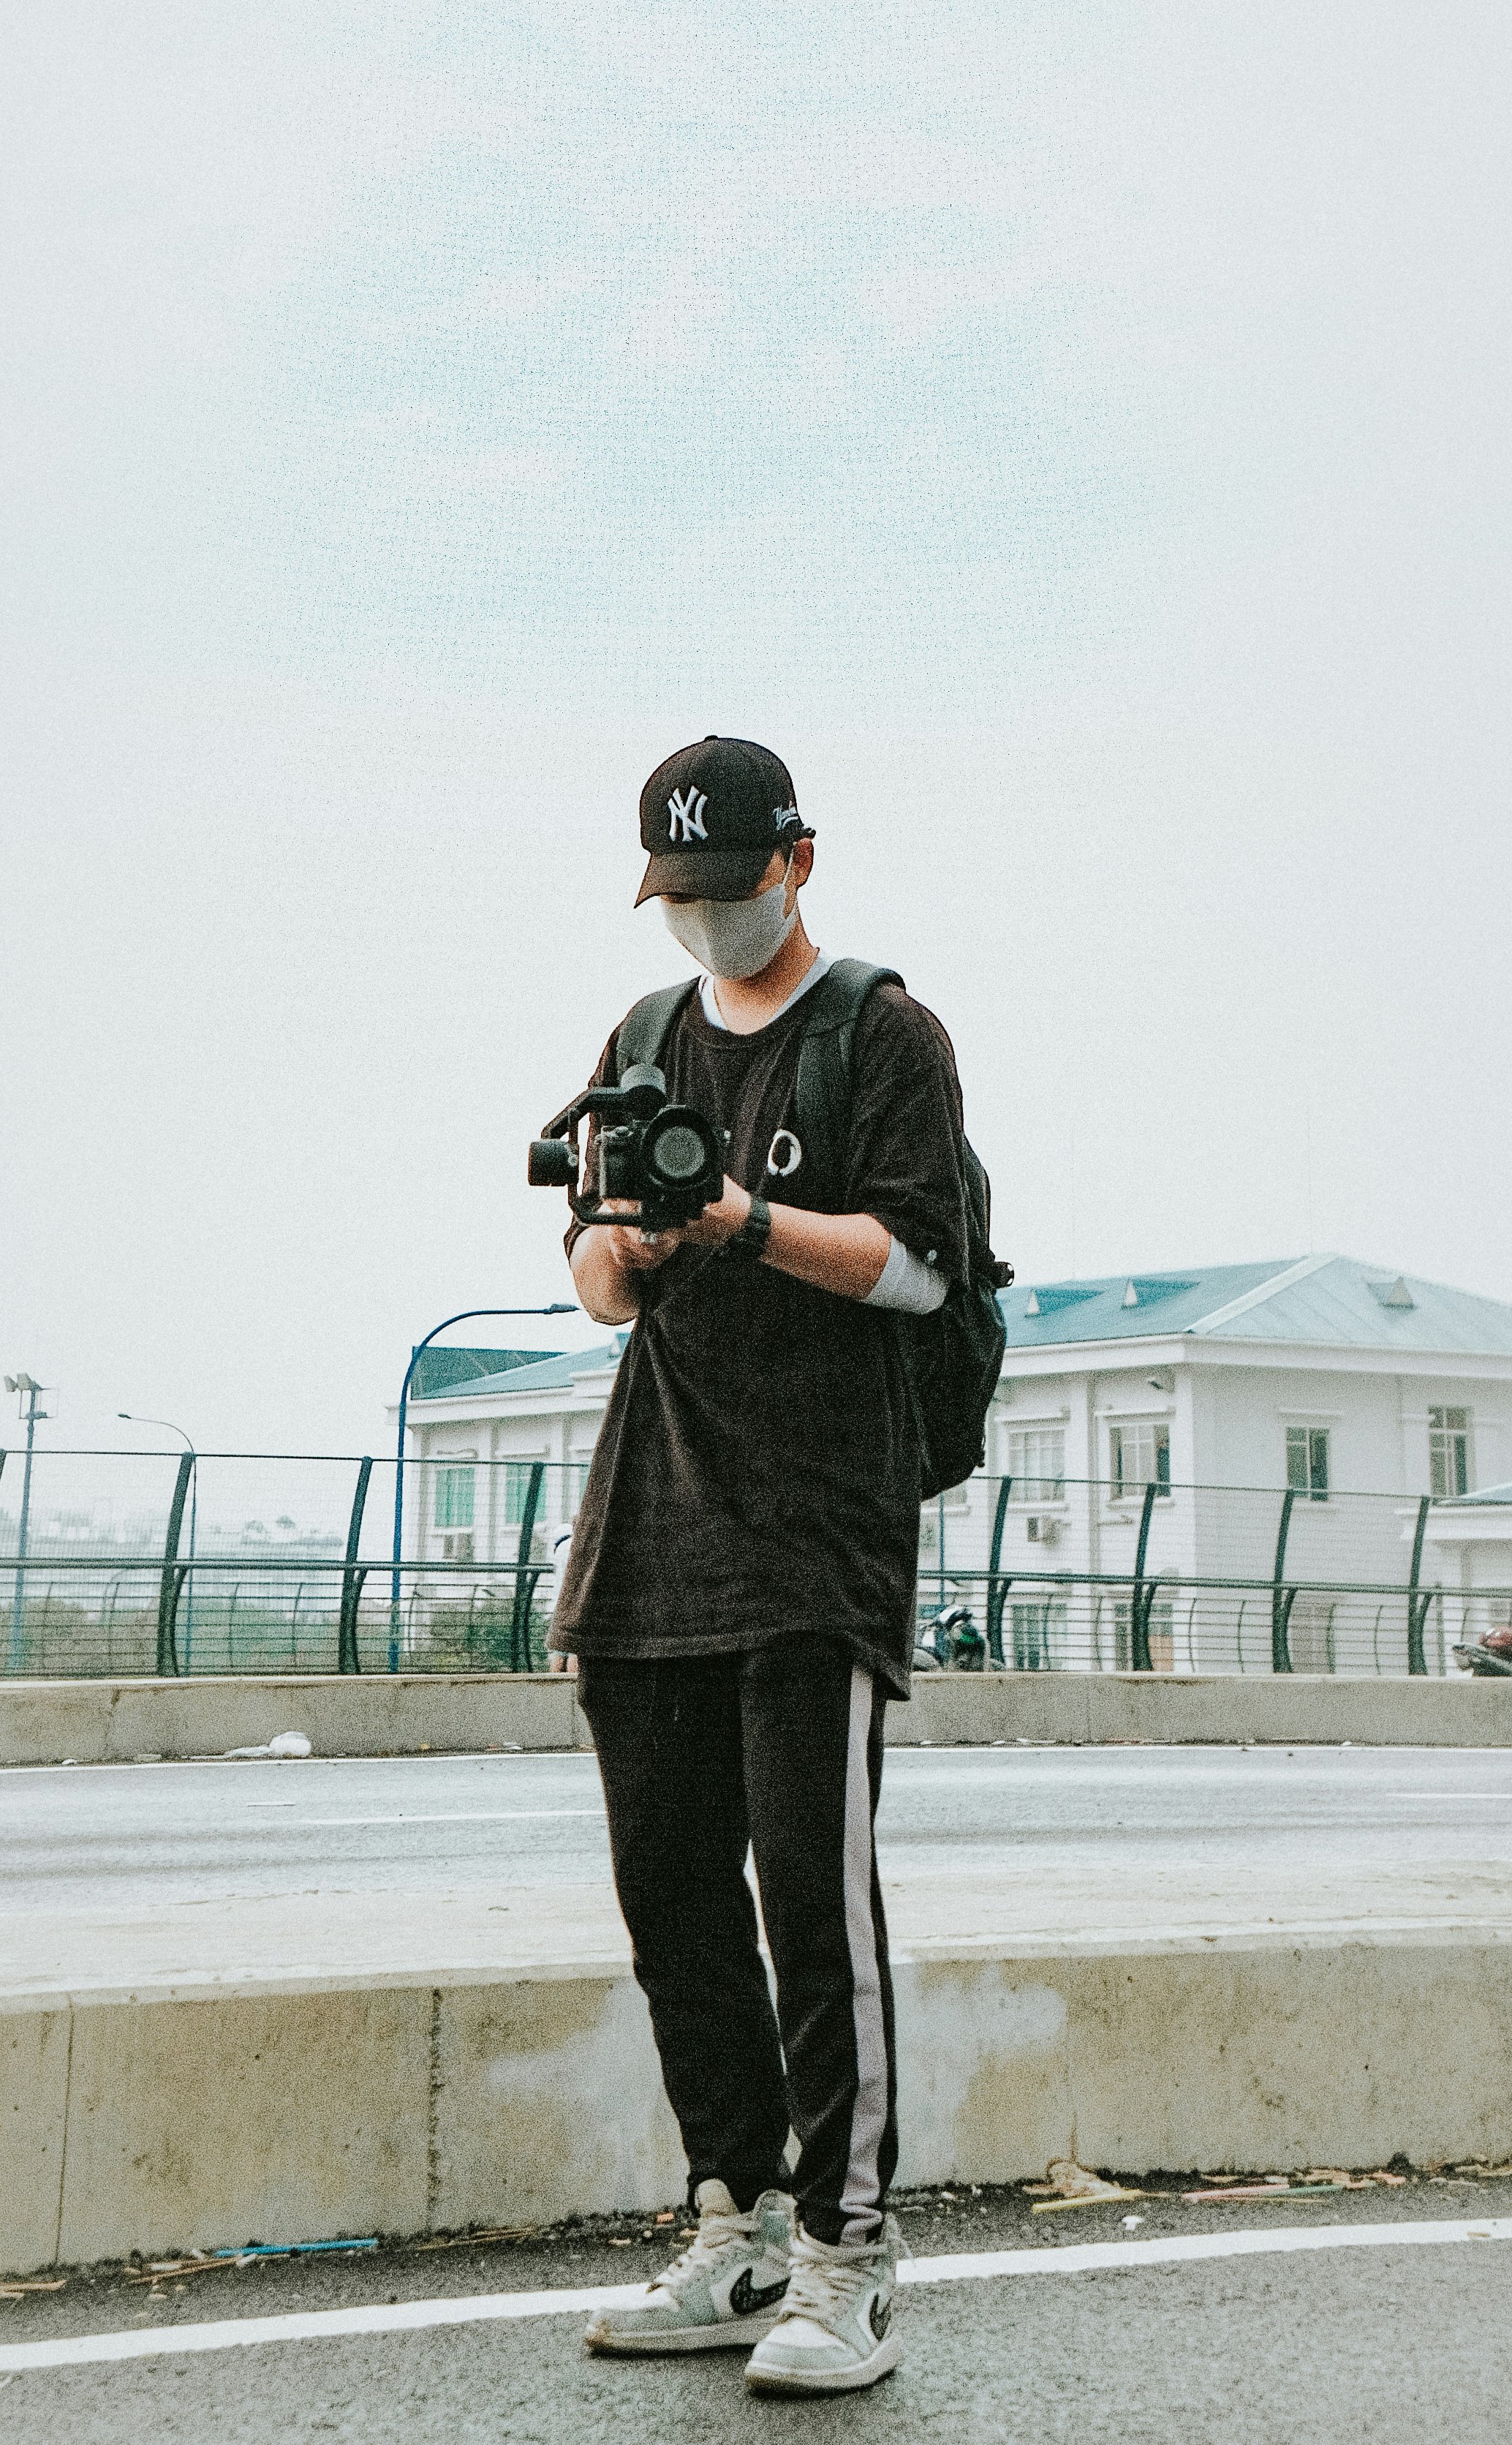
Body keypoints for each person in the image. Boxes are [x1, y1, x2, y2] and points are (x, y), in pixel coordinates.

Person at [548, 735, 973, 2398]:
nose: (701, 921)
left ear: (796, 860)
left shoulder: (880, 1035)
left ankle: (844, 2255)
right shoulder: (639, 1043)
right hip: (649, 1527)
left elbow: (915, 1270)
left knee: (809, 1901)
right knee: (670, 1898)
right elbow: (589, 1274)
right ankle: (728, 2220)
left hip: (816, 1532)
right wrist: (635, 1238)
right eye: (677, 897)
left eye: (725, 890)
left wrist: (733, 1217)